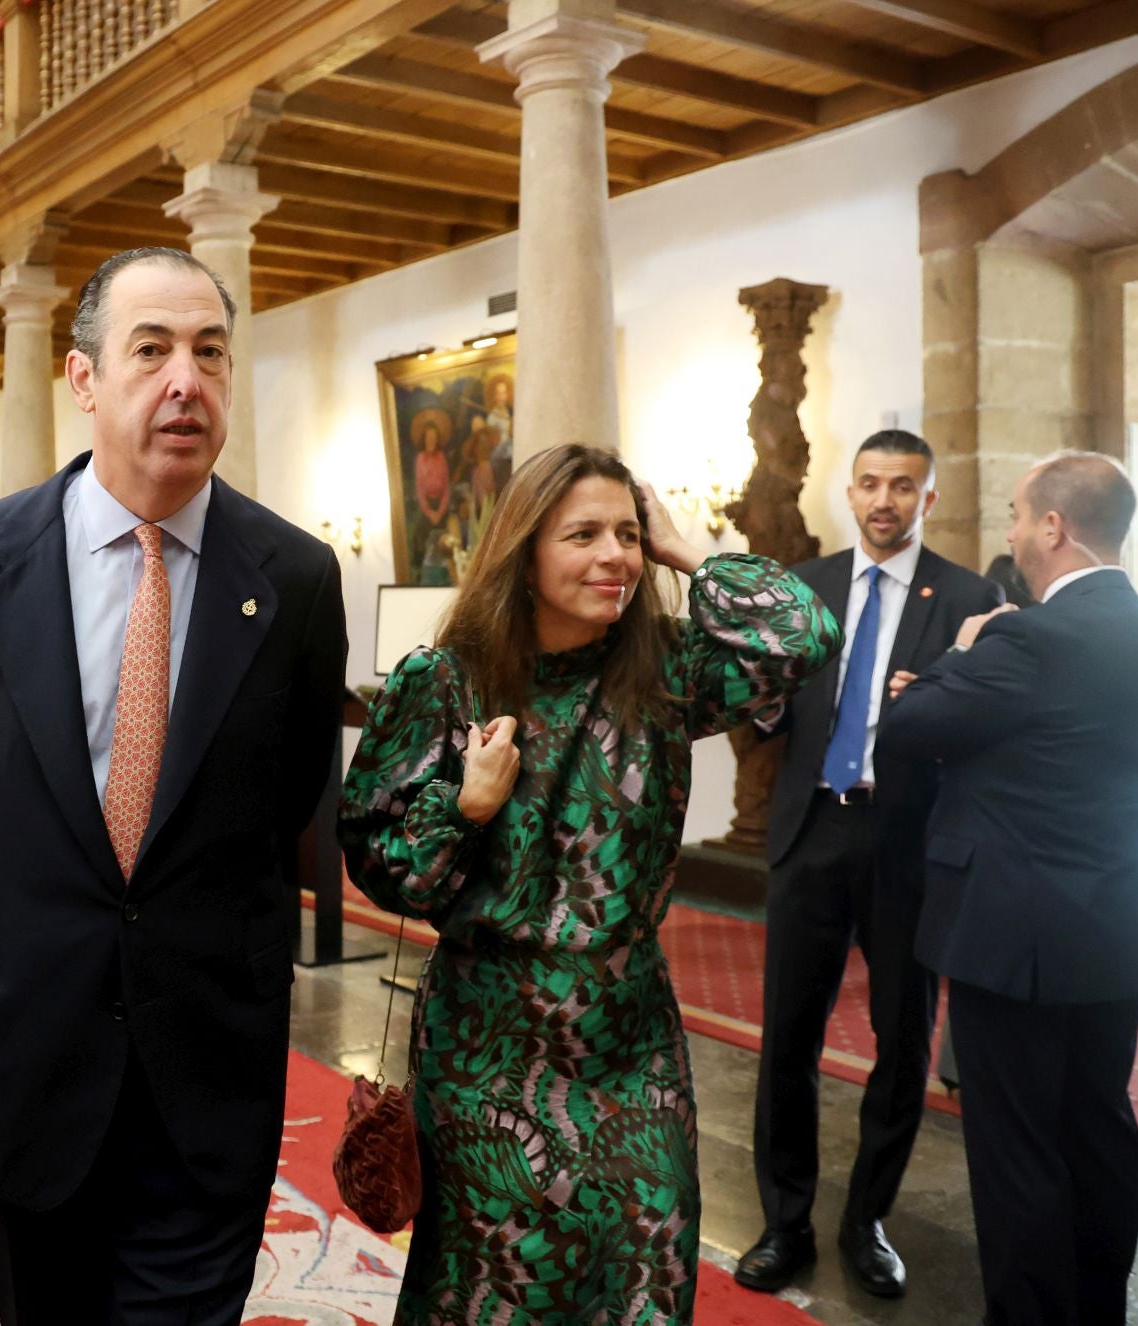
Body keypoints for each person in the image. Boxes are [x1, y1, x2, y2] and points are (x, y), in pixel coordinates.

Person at [0, 246, 347, 1323]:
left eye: (211, 352)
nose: (187, 379)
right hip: (22, 1057)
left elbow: (286, 800)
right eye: (152, 350)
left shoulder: (294, 579)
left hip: (208, 1069)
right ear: (84, 380)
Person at [339, 444, 840, 1323]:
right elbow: (382, 866)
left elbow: (804, 636)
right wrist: (465, 806)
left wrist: (689, 552)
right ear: (524, 552)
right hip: (489, 1053)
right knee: (502, 1288)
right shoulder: (446, 682)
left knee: (647, 1270)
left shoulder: (668, 674)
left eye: (628, 534)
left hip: (630, 1044)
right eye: (583, 534)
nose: (615, 554)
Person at [879, 451, 1138, 1326]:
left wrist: (961, 651)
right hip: (1119, 927)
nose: (1014, 534)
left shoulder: (1026, 637)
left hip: (1013, 935)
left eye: (1019, 516)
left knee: (1016, 1147)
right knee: (1098, 1130)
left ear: (1054, 527)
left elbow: (906, 728)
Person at [738, 430, 1002, 1298]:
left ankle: (867, 1223)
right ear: (847, 495)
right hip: (812, 830)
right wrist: (763, 704)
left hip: (906, 843)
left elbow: (985, 736)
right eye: (870, 484)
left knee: (900, 1042)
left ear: (929, 498)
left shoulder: (969, 598)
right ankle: (785, 1224)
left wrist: (931, 705)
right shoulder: (805, 587)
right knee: (788, 1039)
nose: (884, 500)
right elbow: (769, 719)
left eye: (903, 486)